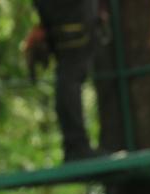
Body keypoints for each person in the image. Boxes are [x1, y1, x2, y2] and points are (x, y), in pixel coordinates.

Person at [24, 1, 101, 161]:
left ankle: (76, 145)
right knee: (71, 73)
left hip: (71, 16)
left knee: (71, 72)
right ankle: (76, 146)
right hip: (68, 16)